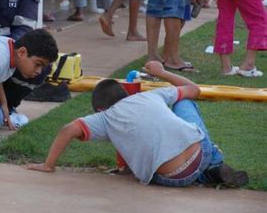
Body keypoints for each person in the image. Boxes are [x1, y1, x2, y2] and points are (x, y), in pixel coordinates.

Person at [26, 60, 249, 188]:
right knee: (185, 100)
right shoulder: (151, 96)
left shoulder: (105, 118)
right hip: (200, 156)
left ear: (101, 109)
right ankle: (214, 163)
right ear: (125, 95)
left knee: (165, 159)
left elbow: (68, 130)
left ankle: (208, 174)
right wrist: (162, 72)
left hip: (169, 179)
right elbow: (194, 89)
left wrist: (48, 165)